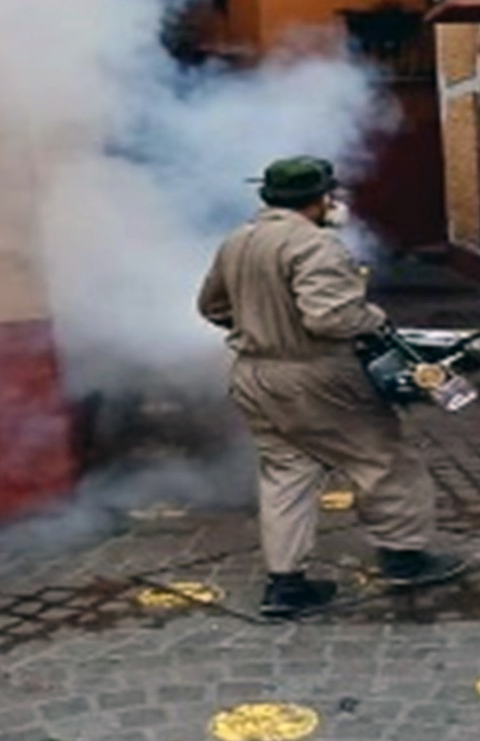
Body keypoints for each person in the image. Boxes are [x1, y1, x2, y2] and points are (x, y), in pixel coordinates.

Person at [197, 155, 464, 620]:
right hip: (318, 375)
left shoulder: (237, 241)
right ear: (320, 199)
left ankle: (286, 585)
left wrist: (261, 324)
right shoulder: (316, 245)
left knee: (286, 473)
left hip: (253, 373)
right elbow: (331, 318)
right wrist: (374, 318)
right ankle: (404, 557)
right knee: (384, 460)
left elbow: (211, 307)